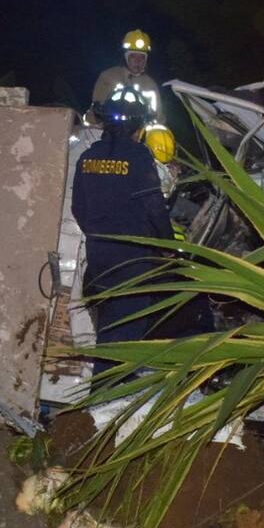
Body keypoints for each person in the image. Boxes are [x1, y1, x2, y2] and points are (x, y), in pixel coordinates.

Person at [72, 87, 175, 381]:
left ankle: (101, 396)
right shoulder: (140, 157)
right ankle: (106, 398)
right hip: (131, 259)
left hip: (99, 257)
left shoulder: (87, 158)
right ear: (138, 126)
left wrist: (98, 234)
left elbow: (79, 208)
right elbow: (154, 206)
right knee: (128, 331)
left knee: (108, 327)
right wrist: (168, 246)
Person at [89, 28, 165, 124]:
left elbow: (158, 117)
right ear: (125, 57)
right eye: (133, 56)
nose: (138, 61)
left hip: (138, 134)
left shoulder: (150, 84)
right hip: (109, 132)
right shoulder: (108, 77)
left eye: (142, 57)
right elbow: (96, 111)